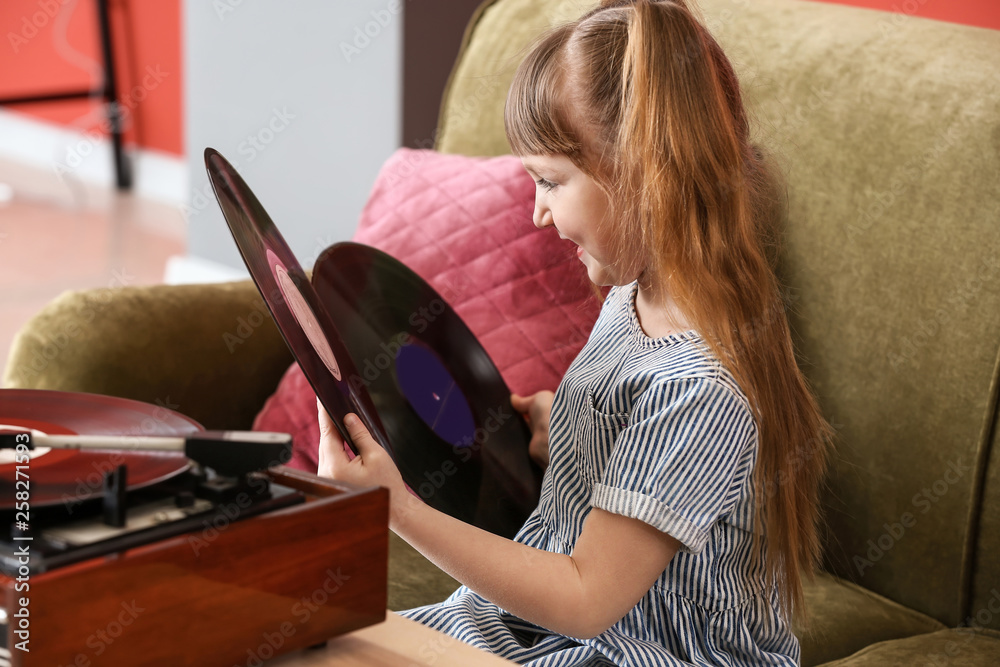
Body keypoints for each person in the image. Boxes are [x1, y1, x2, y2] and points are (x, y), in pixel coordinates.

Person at [317, 0, 833, 664]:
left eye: (550, 181)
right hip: (548, 621)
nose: (536, 211)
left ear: (646, 172)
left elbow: (588, 595)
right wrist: (572, 432)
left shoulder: (701, 389)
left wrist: (397, 510)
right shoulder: (632, 294)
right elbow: (640, 449)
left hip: (633, 649)